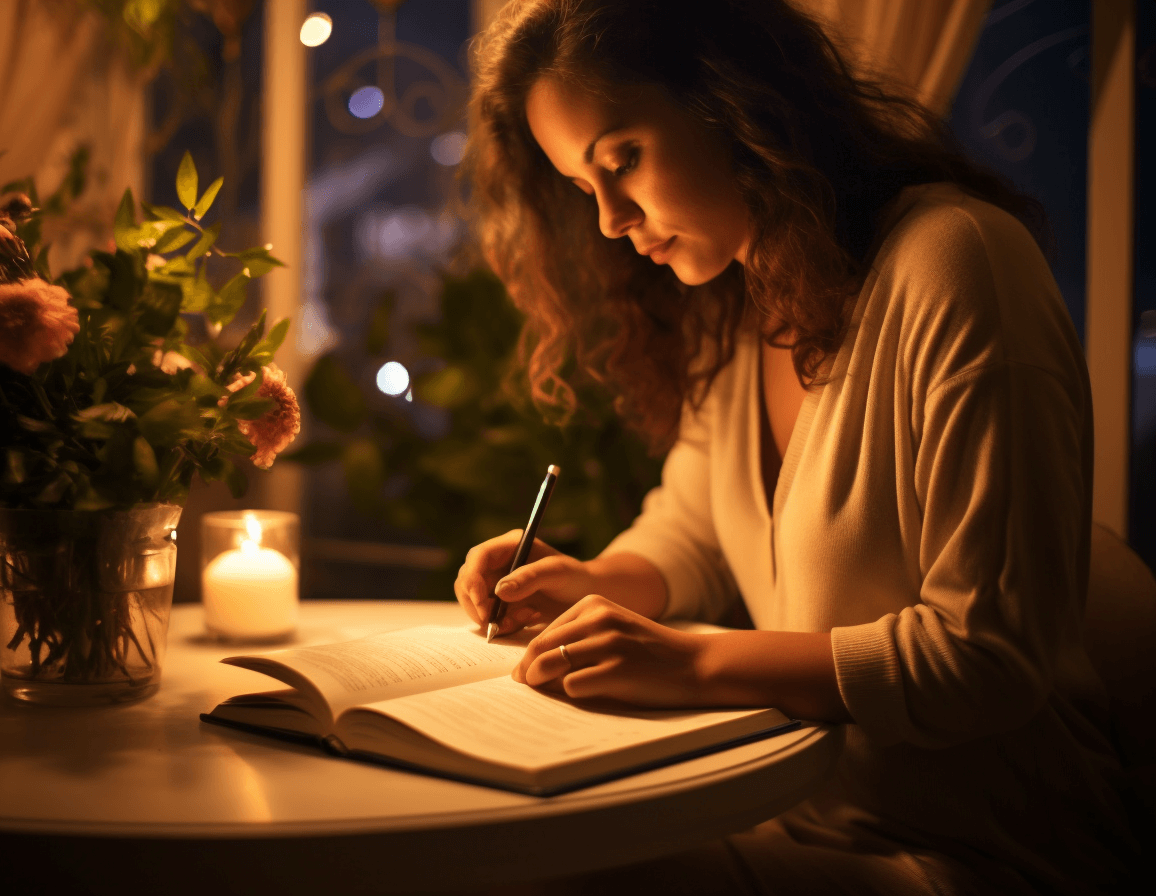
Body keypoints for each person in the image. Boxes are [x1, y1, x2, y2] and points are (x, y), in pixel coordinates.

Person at [452, 0, 1139, 892]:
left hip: (978, 855)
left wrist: (692, 662)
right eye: (586, 190)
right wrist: (592, 582)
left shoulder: (957, 261)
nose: (612, 221)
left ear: (734, 101)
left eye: (624, 160)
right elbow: (693, 530)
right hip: (800, 816)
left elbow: (987, 658)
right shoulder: (754, 300)